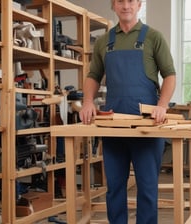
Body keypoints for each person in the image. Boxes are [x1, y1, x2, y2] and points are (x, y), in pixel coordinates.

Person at [79, 0, 176, 223]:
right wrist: (87, 102)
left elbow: (170, 75)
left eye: (131, 0)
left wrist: (162, 105)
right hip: (114, 126)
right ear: (113, 5)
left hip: (147, 126)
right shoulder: (104, 42)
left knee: (147, 189)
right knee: (114, 188)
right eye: (120, 1)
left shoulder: (154, 37)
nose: (126, 5)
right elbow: (93, 75)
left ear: (139, 4)